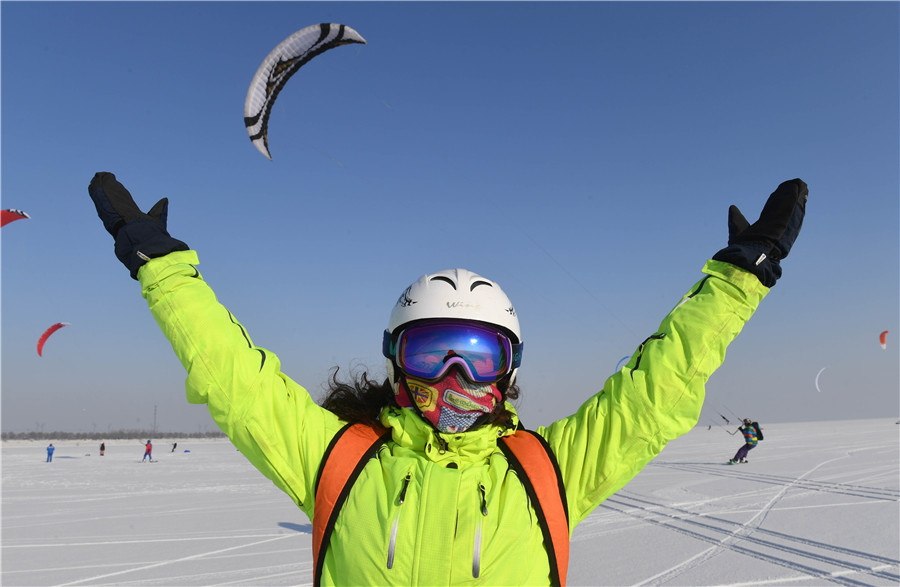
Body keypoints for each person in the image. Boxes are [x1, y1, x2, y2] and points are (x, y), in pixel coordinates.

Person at [88, 172, 807, 585]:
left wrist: (738, 278)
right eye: (434, 351)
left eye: (479, 356)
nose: (455, 376)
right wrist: (162, 267)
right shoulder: (339, 459)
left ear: (509, 372)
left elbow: (655, 390)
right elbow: (235, 377)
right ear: (397, 363)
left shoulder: (548, 472)